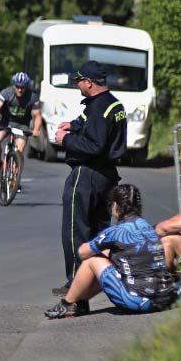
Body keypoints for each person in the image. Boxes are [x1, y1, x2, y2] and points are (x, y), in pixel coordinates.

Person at [45, 184, 180, 319]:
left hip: (137, 302)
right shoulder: (147, 227)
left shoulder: (115, 232)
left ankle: (67, 303)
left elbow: (82, 252)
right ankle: (79, 302)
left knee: (93, 261)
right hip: (165, 298)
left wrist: (103, 249)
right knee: (112, 258)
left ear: (115, 206)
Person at [52, 60, 127, 296]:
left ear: (90, 83)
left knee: (76, 230)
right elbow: (88, 122)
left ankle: (77, 283)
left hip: (87, 174)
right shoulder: (112, 104)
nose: (77, 85)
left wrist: (66, 140)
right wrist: (72, 125)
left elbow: (93, 145)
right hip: (107, 177)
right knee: (99, 231)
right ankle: (99, 278)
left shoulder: (98, 109)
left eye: (79, 81)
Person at [0, 71, 42, 181]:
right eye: (17, 87)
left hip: (22, 125)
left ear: (26, 86)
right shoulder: (6, 93)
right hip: (5, 122)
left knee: (19, 150)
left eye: (23, 87)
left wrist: (36, 129)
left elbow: (38, 115)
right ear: (14, 85)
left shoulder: (32, 97)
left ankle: (16, 177)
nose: (20, 89)